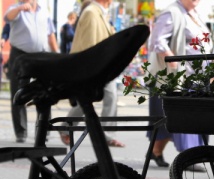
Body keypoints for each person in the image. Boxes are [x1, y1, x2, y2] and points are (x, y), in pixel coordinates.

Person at [147, 0, 210, 170]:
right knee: (185, 116)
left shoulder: (193, 14)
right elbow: (157, 40)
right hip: (179, 76)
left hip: (196, 75)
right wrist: (172, 61)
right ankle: (190, 156)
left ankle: (156, 150)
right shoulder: (171, 12)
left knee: (171, 118)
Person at [60, 0, 125, 147]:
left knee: (98, 97)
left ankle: (105, 134)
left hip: (102, 65)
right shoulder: (91, 13)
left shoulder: (98, 12)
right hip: (96, 66)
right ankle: (105, 135)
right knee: (100, 97)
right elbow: (90, 44)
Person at [4, 0, 59, 143]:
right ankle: (21, 132)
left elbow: (50, 34)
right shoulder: (16, 8)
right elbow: (8, 17)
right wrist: (20, 8)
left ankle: (43, 128)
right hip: (20, 55)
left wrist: (58, 54)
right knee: (19, 92)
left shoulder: (44, 11)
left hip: (41, 55)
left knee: (45, 91)